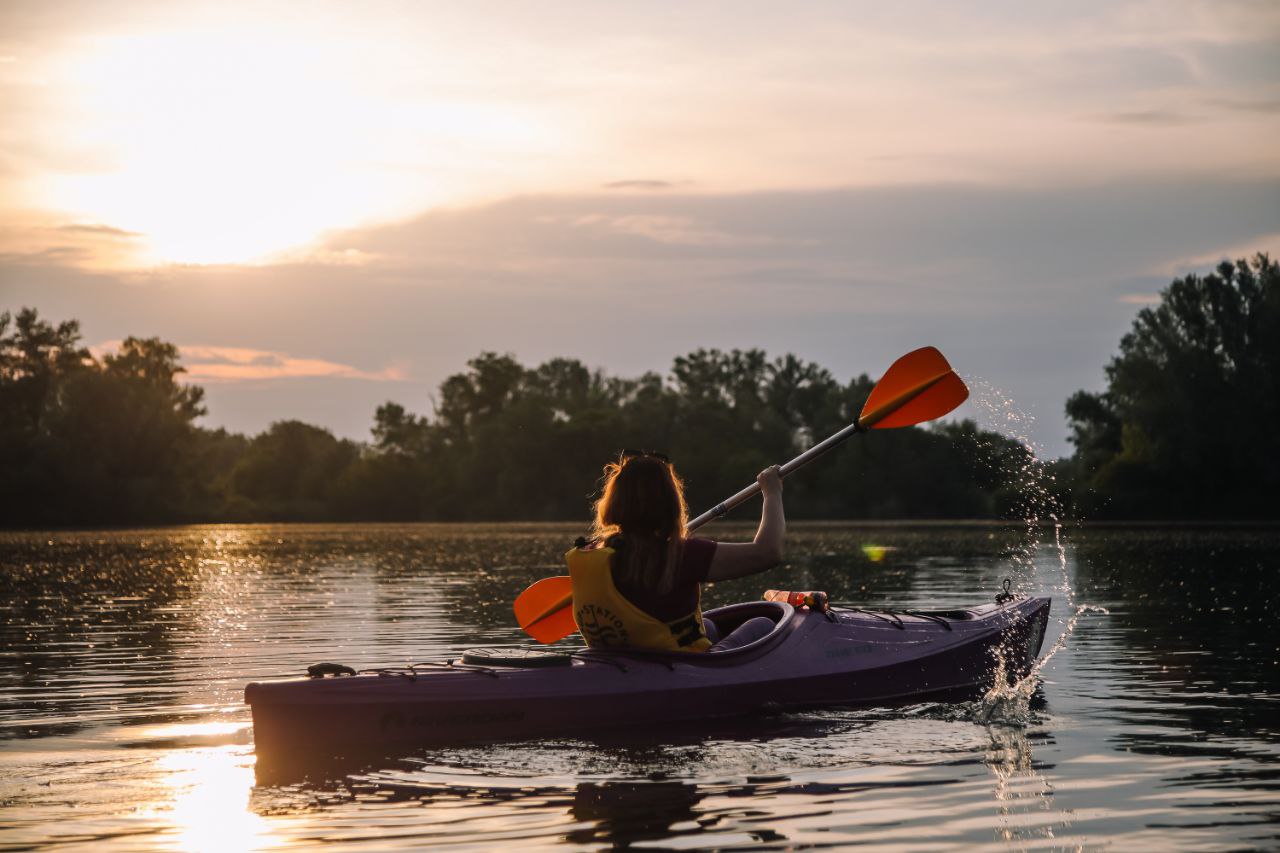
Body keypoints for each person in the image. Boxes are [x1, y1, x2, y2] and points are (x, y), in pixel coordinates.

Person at [566, 450, 785, 653]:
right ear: (670, 502)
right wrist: (771, 493)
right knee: (763, 622)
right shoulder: (680, 554)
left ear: (614, 500)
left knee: (707, 625)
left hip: (619, 658)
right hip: (680, 665)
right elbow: (768, 552)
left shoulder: (589, 551)